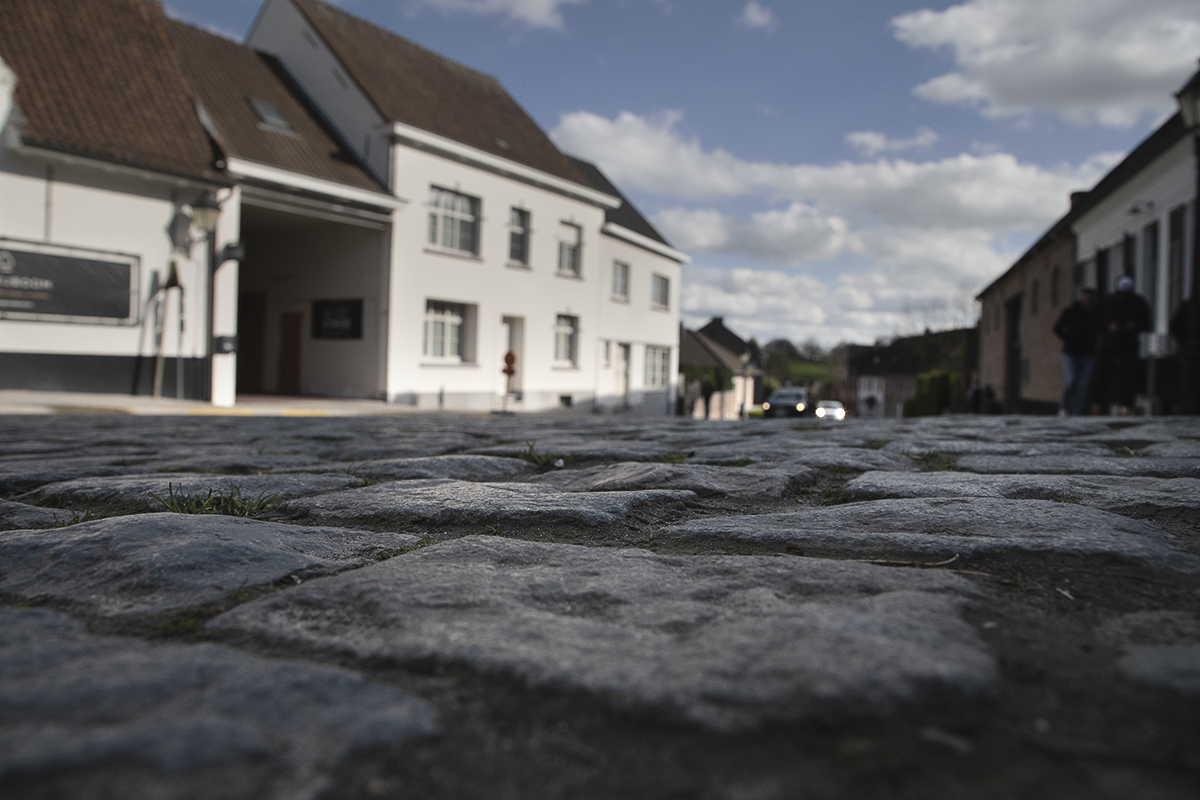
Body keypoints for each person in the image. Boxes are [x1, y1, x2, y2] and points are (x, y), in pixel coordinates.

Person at [1091, 275, 1152, 414]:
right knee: (1102, 374)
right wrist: (1107, 326)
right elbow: (1094, 322)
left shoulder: (1137, 302)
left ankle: (1126, 406)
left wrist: (1134, 325)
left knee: (1129, 375)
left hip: (1128, 344)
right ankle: (1097, 404)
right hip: (1108, 344)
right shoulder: (1106, 301)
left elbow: (1146, 322)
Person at [1052, 288, 1101, 415]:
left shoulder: (1095, 313)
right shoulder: (1071, 311)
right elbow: (1057, 328)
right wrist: (1069, 338)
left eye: (1090, 297)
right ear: (1082, 297)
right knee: (1071, 380)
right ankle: (1063, 407)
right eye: (1086, 296)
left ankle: (1077, 412)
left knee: (1083, 385)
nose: (1088, 299)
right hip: (1071, 352)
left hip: (1088, 354)